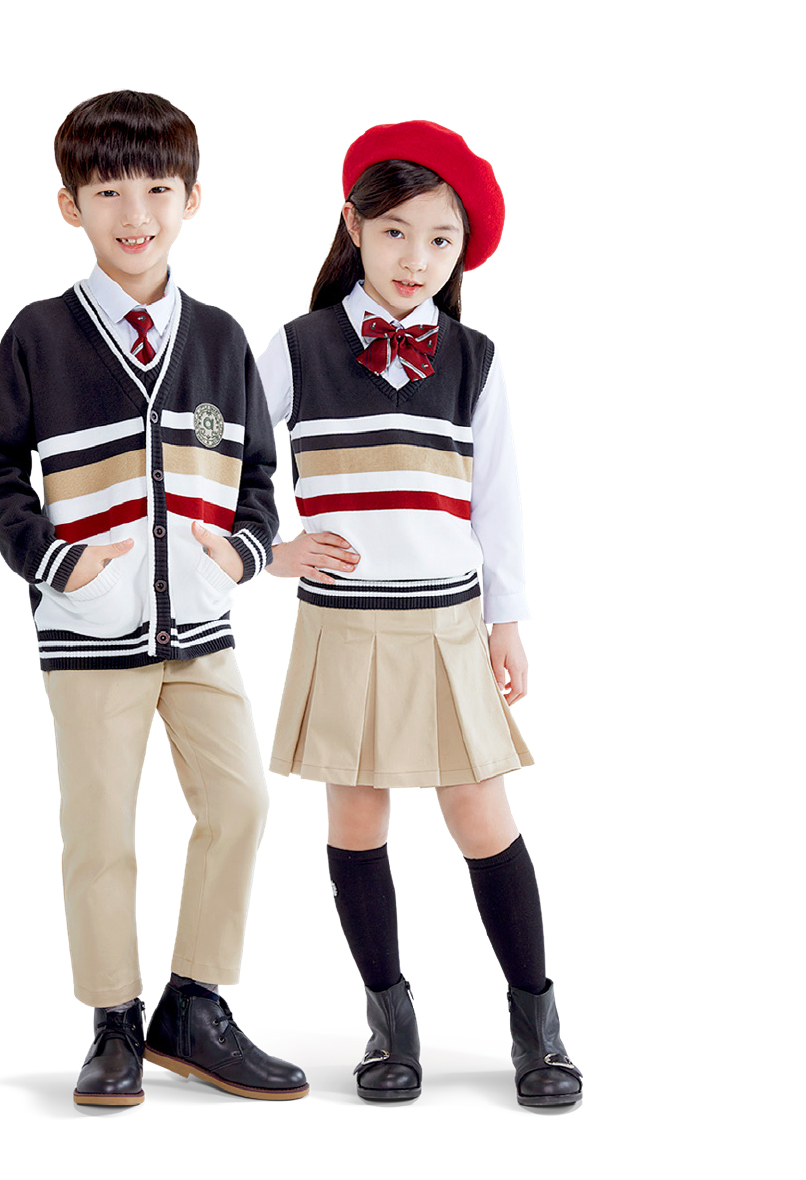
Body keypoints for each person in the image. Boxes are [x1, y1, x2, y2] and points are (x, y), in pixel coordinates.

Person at [0, 90, 307, 1106]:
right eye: (108, 190)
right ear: (69, 204)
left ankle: (193, 1006)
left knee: (240, 802)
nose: (135, 212)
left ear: (192, 199)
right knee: (102, 831)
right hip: (89, 634)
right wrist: (53, 561)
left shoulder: (221, 338)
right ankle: (113, 1019)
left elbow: (258, 475)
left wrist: (242, 553)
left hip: (201, 629)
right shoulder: (40, 335)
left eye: (157, 188)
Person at [259, 120, 582, 1107]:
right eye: (395, 231)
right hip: (343, 623)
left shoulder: (474, 357)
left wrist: (507, 618)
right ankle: (389, 1024)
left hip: (447, 625)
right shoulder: (299, 346)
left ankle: (537, 1025)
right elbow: (219, 458)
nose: (415, 258)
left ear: (462, 250)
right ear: (352, 226)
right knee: (357, 818)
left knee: (481, 815)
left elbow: (499, 496)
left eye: (440, 239)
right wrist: (271, 548)